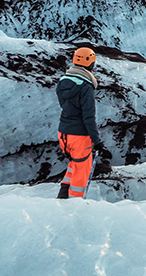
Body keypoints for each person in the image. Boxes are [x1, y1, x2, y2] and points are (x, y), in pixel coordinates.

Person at [56, 47, 112, 199]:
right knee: (81, 174)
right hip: (79, 136)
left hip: (63, 133)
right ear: (90, 63)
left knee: (74, 164)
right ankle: (74, 207)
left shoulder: (63, 81)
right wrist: (97, 142)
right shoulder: (86, 87)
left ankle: (62, 197)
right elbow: (88, 117)